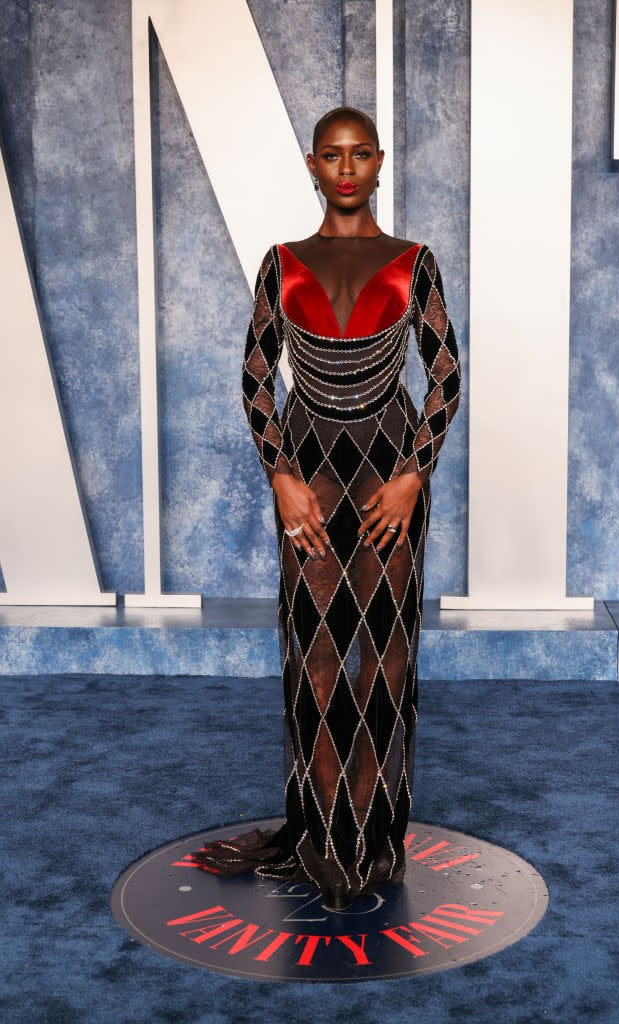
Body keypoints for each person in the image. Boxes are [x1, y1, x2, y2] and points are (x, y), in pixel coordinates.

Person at [190, 106, 461, 911]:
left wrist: (413, 474)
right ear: (312, 165)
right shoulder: (280, 262)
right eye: (331, 156)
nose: (346, 168)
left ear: (380, 163)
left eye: (360, 154)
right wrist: (279, 474)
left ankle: (373, 841)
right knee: (311, 650)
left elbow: (444, 375)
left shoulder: (415, 263)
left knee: (385, 650)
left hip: (390, 468)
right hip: (307, 472)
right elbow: (254, 377)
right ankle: (316, 836)